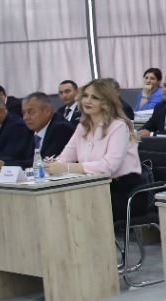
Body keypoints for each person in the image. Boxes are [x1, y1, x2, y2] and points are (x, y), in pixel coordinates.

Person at [48, 78, 144, 222]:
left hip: (123, 191)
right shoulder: (82, 126)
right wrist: (52, 166)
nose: (87, 101)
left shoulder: (119, 126)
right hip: (91, 188)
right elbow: (65, 157)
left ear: (106, 101)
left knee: (76, 212)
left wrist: (67, 167)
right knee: (59, 207)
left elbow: (109, 166)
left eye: (95, 98)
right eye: (85, 96)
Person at [20, 91, 75, 160]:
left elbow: (46, 161)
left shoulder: (62, 129)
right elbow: (15, 156)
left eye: (31, 112)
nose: (25, 118)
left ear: (47, 111)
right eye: (24, 113)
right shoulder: (28, 130)